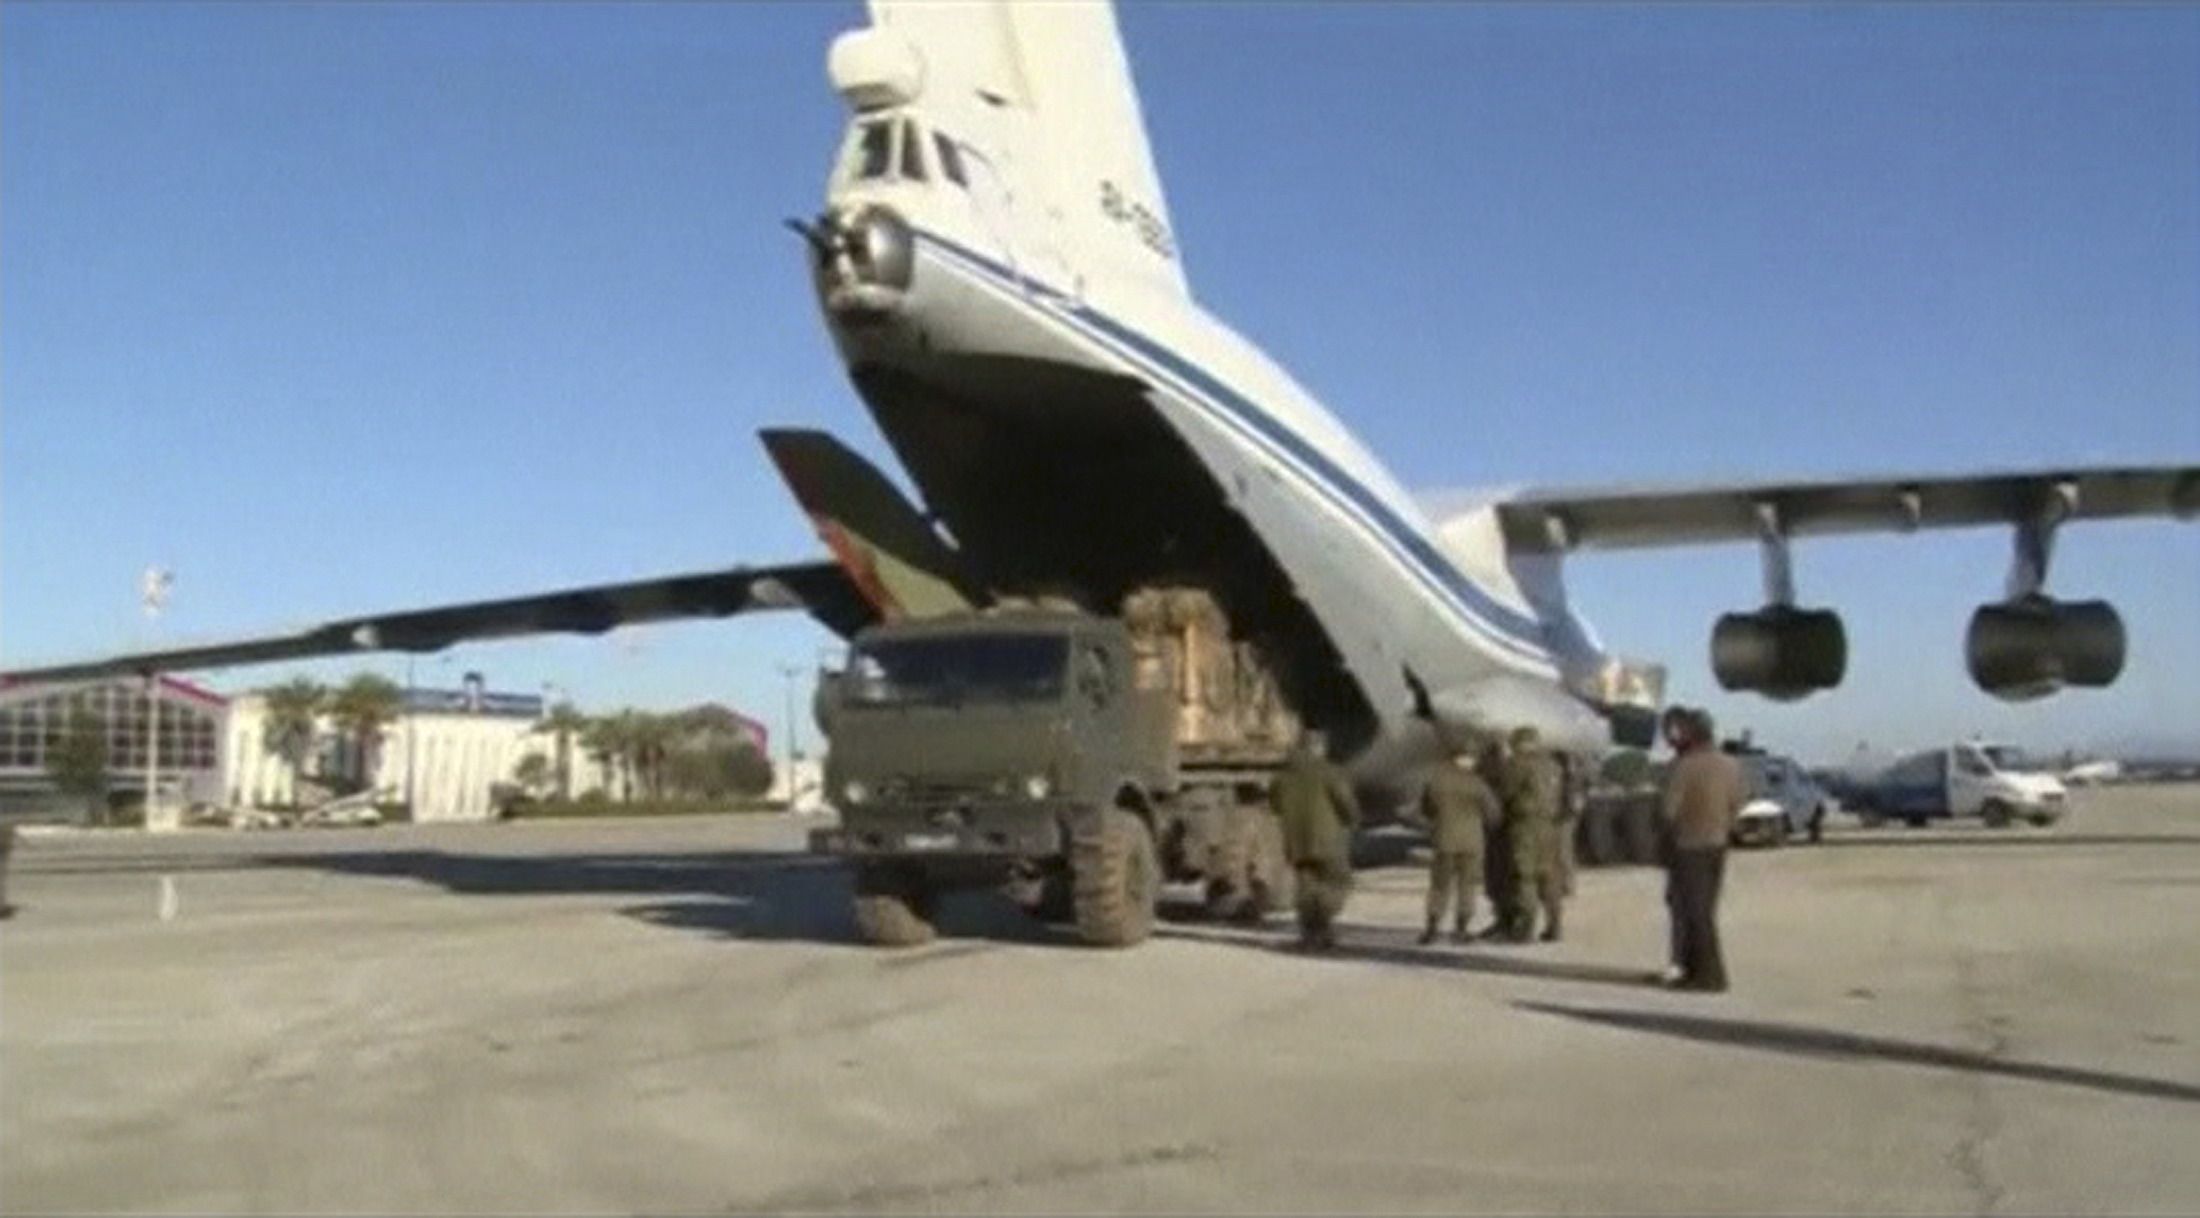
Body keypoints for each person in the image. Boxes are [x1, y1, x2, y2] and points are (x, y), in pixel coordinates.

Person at [1658, 706, 1746, 991]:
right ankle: (1694, 971)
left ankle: (1710, 976)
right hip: (1717, 845)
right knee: (1705, 909)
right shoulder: (1730, 765)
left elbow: (1669, 810)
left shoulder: (1685, 767)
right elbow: (1738, 803)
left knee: (1694, 913)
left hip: (1688, 846)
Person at [1269, 727, 1360, 951]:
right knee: (1339, 882)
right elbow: (1345, 803)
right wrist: (1353, 821)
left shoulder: (1281, 776)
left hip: (1296, 841)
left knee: (1306, 886)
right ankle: (1323, 921)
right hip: (1328, 840)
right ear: (1318, 747)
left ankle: (1311, 935)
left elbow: (1275, 804)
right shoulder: (1329, 772)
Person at [1417, 732, 1499, 945]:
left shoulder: (1437, 781)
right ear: (1470, 758)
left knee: (1439, 886)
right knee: (1467, 886)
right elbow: (1493, 814)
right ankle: (1460, 929)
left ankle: (1432, 929)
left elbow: (1425, 808)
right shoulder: (1477, 783)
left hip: (1444, 840)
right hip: (1471, 843)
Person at [1502, 726, 1567, 942]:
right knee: (1549, 876)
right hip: (1550, 827)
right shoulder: (1552, 766)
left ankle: (1526, 927)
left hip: (1525, 826)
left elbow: (1506, 792)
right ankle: (1555, 925)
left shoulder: (1517, 764)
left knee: (1525, 875)